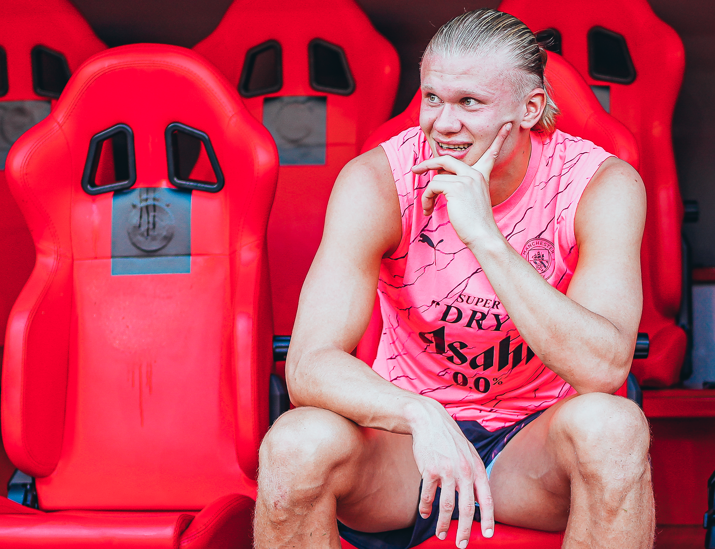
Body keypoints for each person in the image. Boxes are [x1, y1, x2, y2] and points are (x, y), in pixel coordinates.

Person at [255, 8, 653, 549]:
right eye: (433, 98)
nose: (442, 123)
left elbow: (603, 368)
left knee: (615, 430)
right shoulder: (377, 180)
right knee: (295, 443)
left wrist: (485, 237)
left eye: (470, 103)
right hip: (409, 453)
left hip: (530, 449)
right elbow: (308, 365)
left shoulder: (598, 184)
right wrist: (419, 415)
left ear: (531, 108)